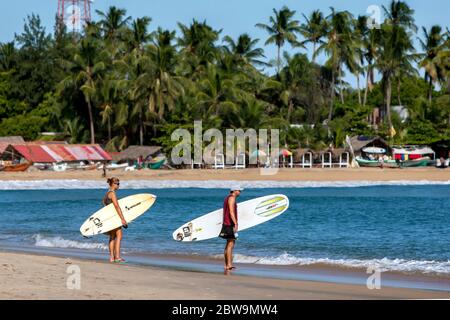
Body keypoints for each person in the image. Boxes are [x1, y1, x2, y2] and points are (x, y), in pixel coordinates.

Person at [103, 177, 128, 263]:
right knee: (119, 236)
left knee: (112, 237)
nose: (118, 185)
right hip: (114, 218)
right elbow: (117, 206)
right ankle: (117, 257)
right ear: (113, 184)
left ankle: (111, 258)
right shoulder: (112, 194)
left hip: (109, 218)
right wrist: (122, 219)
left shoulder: (106, 194)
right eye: (117, 184)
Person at [219, 186, 243, 271]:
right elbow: (231, 211)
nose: (240, 192)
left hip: (226, 223)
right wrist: (235, 223)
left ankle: (227, 265)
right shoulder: (232, 198)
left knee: (228, 244)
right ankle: (229, 264)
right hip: (229, 224)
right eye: (239, 190)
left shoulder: (227, 198)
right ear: (235, 190)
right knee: (230, 244)